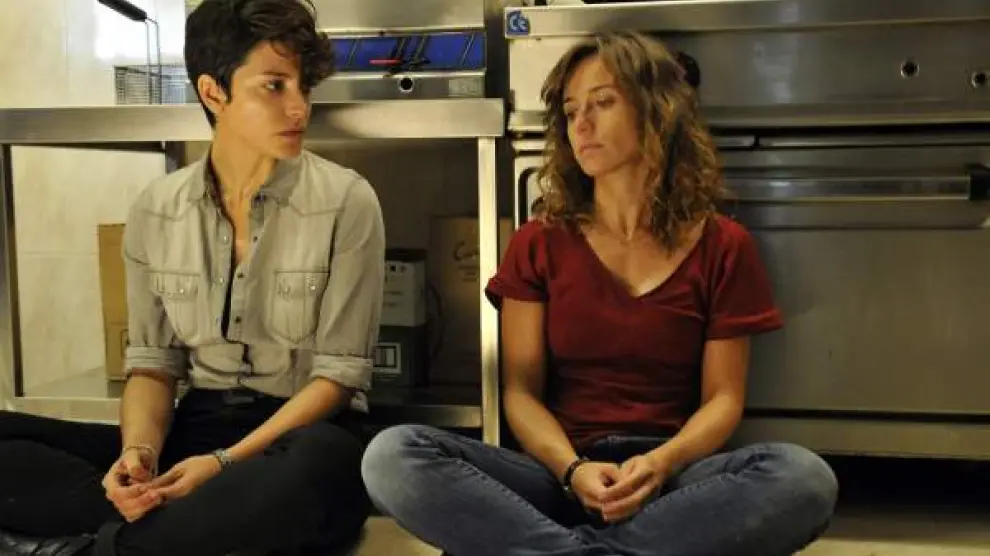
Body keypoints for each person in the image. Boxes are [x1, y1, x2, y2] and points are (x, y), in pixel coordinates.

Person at [361, 32, 838, 556]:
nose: (581, 124)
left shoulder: (724, 245)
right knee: (393, 455)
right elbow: (520, 393)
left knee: (804, 478)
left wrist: (660, 465)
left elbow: (723, 399)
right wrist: (573, 469)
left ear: (656, 110)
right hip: (557, 476)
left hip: (671, 483)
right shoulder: (539, 241)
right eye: (571, 111)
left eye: (602, 102)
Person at [0, 1, 384, 555]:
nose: (299, 107)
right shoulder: (156, 209)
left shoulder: (348, 201)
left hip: (297, 437)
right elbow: (153, 366)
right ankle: (167, 529)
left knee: (318, 469)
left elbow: (338, 380)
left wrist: (222, 464)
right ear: (213, 92)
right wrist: (139, 456)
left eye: (304, 86)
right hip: (193, 432)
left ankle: (104, 546)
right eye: (274, 86)